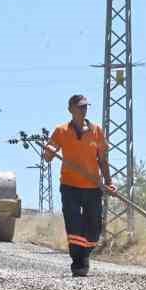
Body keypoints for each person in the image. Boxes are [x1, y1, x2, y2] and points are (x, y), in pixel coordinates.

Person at [42, 94, 112, 277]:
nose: (84, 109)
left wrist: (109, 183)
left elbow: (103, 160)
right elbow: (48, 156)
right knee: (75, 225)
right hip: (70, 186)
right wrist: (48, 151)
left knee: (94, 229)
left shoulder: (96, 131)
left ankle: (84, 254)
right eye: (80, 106)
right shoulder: (61, 131)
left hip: (92, 187)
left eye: (86, 106)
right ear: (70, 109)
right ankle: (79, 263)